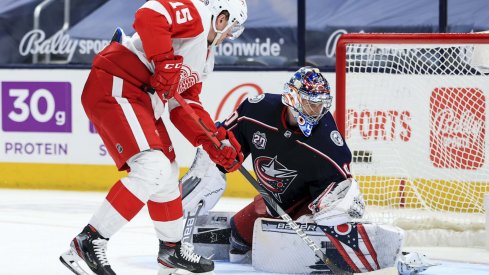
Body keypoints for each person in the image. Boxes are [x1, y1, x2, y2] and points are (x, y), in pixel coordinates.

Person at [59, 0, 247, 274]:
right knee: (153, 166)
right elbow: (150, 14)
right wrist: (163, 59)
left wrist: (213, 142)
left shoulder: (205, 59)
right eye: (233, 27)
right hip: (117, 83)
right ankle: (87, 242)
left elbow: (185, 106)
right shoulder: (196, 13)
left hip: (142, 99)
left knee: (168, 175)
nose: (231, 34)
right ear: (222, 16)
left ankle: (171, 249)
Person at [181, 66, 366, 264]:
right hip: (272, 202)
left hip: (307, 206)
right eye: (310, 103)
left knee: (304, 232)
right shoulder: (257, 110)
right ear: (293, 97)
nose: (316, 110)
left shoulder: (327, 140)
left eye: (320, 105)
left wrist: (339, 210)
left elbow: (344, 187)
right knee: (239, 235)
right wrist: (215, 161)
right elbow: (221, 140)